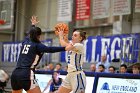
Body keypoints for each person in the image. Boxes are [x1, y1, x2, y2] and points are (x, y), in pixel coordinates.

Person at [10, 16, 72, 93]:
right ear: (39, 36)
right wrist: (65, 48)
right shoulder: (38, 45)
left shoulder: (25, 41)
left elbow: (30, 33)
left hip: (15, 74)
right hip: (26, 73)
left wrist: (33, 25)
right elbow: (50, 49)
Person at [57, 29, 87, 93]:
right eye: (73, 35)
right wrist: (65, 38)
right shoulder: (73, 45)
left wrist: (60, 36)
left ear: (80, 38)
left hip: (77, 75)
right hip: (69, 75)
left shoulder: (79, 45)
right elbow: (68, 44)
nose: (73, 37)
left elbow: (65, 46)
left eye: (75, 35)